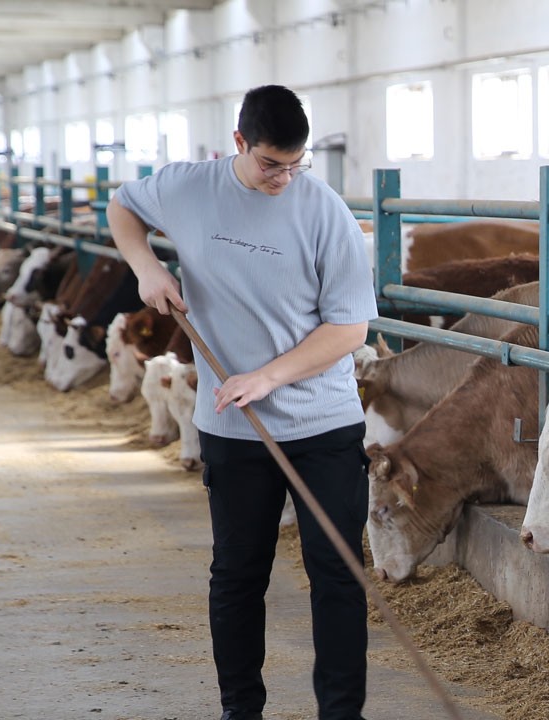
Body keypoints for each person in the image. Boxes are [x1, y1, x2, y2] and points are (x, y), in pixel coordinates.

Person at [107, 84, 376, 720]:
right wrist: (146, 266)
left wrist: (269, 378)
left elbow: (349, 330)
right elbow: (123, 207)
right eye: (270, 164)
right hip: (232, 428)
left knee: (337, 575)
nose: (284, 177)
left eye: (296, 164)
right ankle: (240, 711)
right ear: (238, 143)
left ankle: (341, 714)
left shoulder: (324, 212)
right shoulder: (187, 187)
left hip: (322, 424)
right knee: (237, 574)